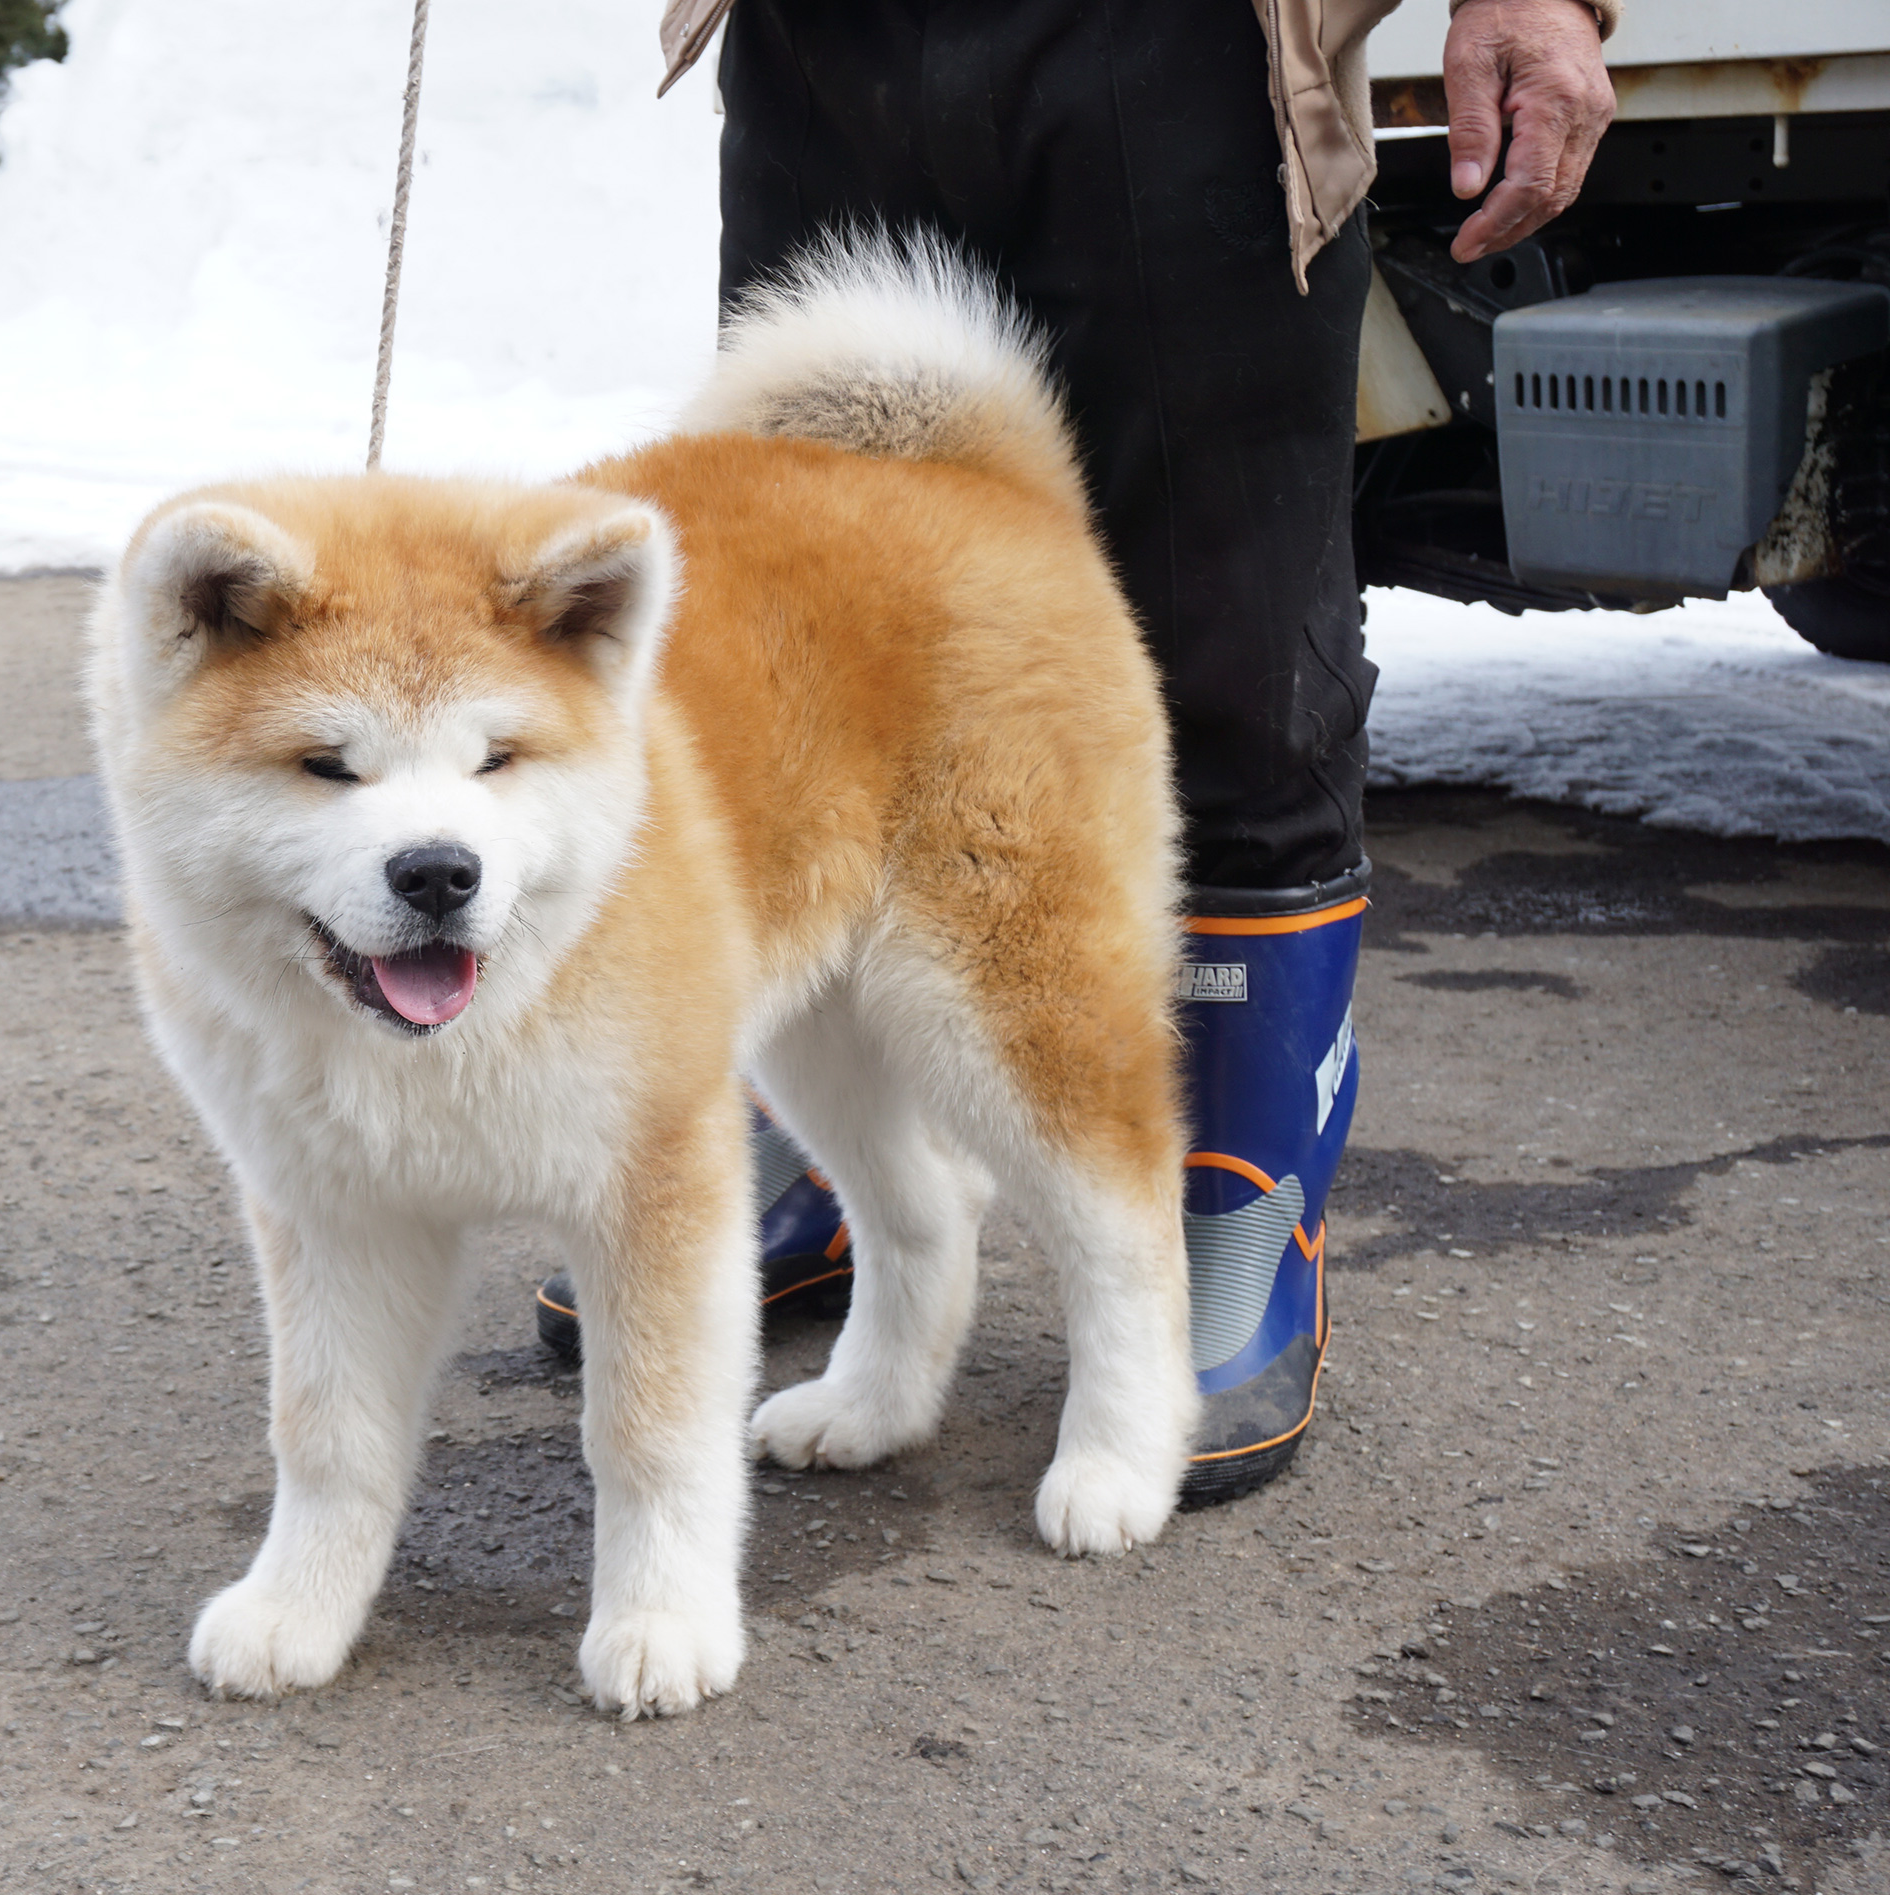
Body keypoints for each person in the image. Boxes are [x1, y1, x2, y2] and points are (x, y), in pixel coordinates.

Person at [541, 0, 1618, 1504]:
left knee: (1221, 654)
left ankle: (1241, 1167)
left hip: (1178, 47)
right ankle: (843, 1143)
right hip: (818, 44)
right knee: (800, 613)